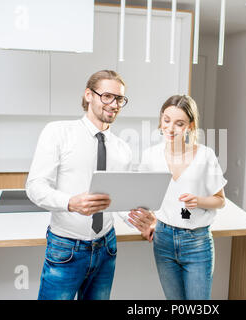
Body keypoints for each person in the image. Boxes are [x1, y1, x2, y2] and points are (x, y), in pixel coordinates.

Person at [26, 70, 155, 300]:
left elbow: (118, 201)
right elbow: (35, 186)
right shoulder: (58, 132)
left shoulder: (122, 149)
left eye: (119, 99)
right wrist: (70, 203)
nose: (114, 104)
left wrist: (140, 219)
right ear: (88, 95)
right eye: (107, 96)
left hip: (106, 247)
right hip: (66, 248)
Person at [138, 95, 227, 300]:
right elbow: (145, 197)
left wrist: (200, 200)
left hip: (197, 242)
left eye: (179, 123)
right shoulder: (150, 156)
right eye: (166, 120)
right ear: (161, 120)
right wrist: (150, 221)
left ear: (190, 126)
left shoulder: (205, 155)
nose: (170, 128)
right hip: (163, 239)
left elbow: (220, 200)